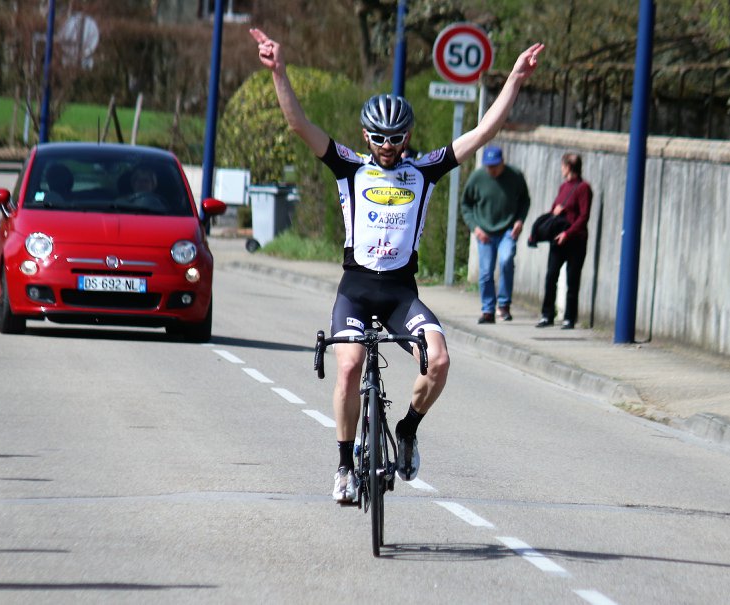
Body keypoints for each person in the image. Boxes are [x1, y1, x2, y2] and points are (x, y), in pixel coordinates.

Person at [249, 27, 543, 503]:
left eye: (396, 138)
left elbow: (483, 132)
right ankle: (344, 467)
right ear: (367, 136)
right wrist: (279, 71)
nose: (388, 145)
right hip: (356, 290)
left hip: (401, 295)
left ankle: (406, 430)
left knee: (440, 360)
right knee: (348, 368)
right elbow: (300, 125)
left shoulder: (423, 170)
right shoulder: (349, 166)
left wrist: (513, 79)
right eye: (380, 138)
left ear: (407, 138)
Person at [461, 145, 530, 323]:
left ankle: (504, 306)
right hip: (484, 231)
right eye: (488, 166)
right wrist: (475, 228)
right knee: (485, 272)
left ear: (502, 163)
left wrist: (520, 220)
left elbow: (524, 200)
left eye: (494, 166)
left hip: (507, 229)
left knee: (506, 260)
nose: (491, 170)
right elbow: (466, 205)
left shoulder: (515, 176)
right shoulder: (477, 177)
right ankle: (488, 310)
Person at [535, 153, 592, 330]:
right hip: (557, 239)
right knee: (551, 276)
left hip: (575, 240)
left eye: (563, 165)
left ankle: (569, 318)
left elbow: (584, 216)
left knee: (572, 279)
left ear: (569, 167)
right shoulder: (563, 187)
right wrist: (557, 211)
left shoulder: (583, 188)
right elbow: (554, 209)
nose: (561, 169)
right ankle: (547, 315)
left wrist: (568, 233)